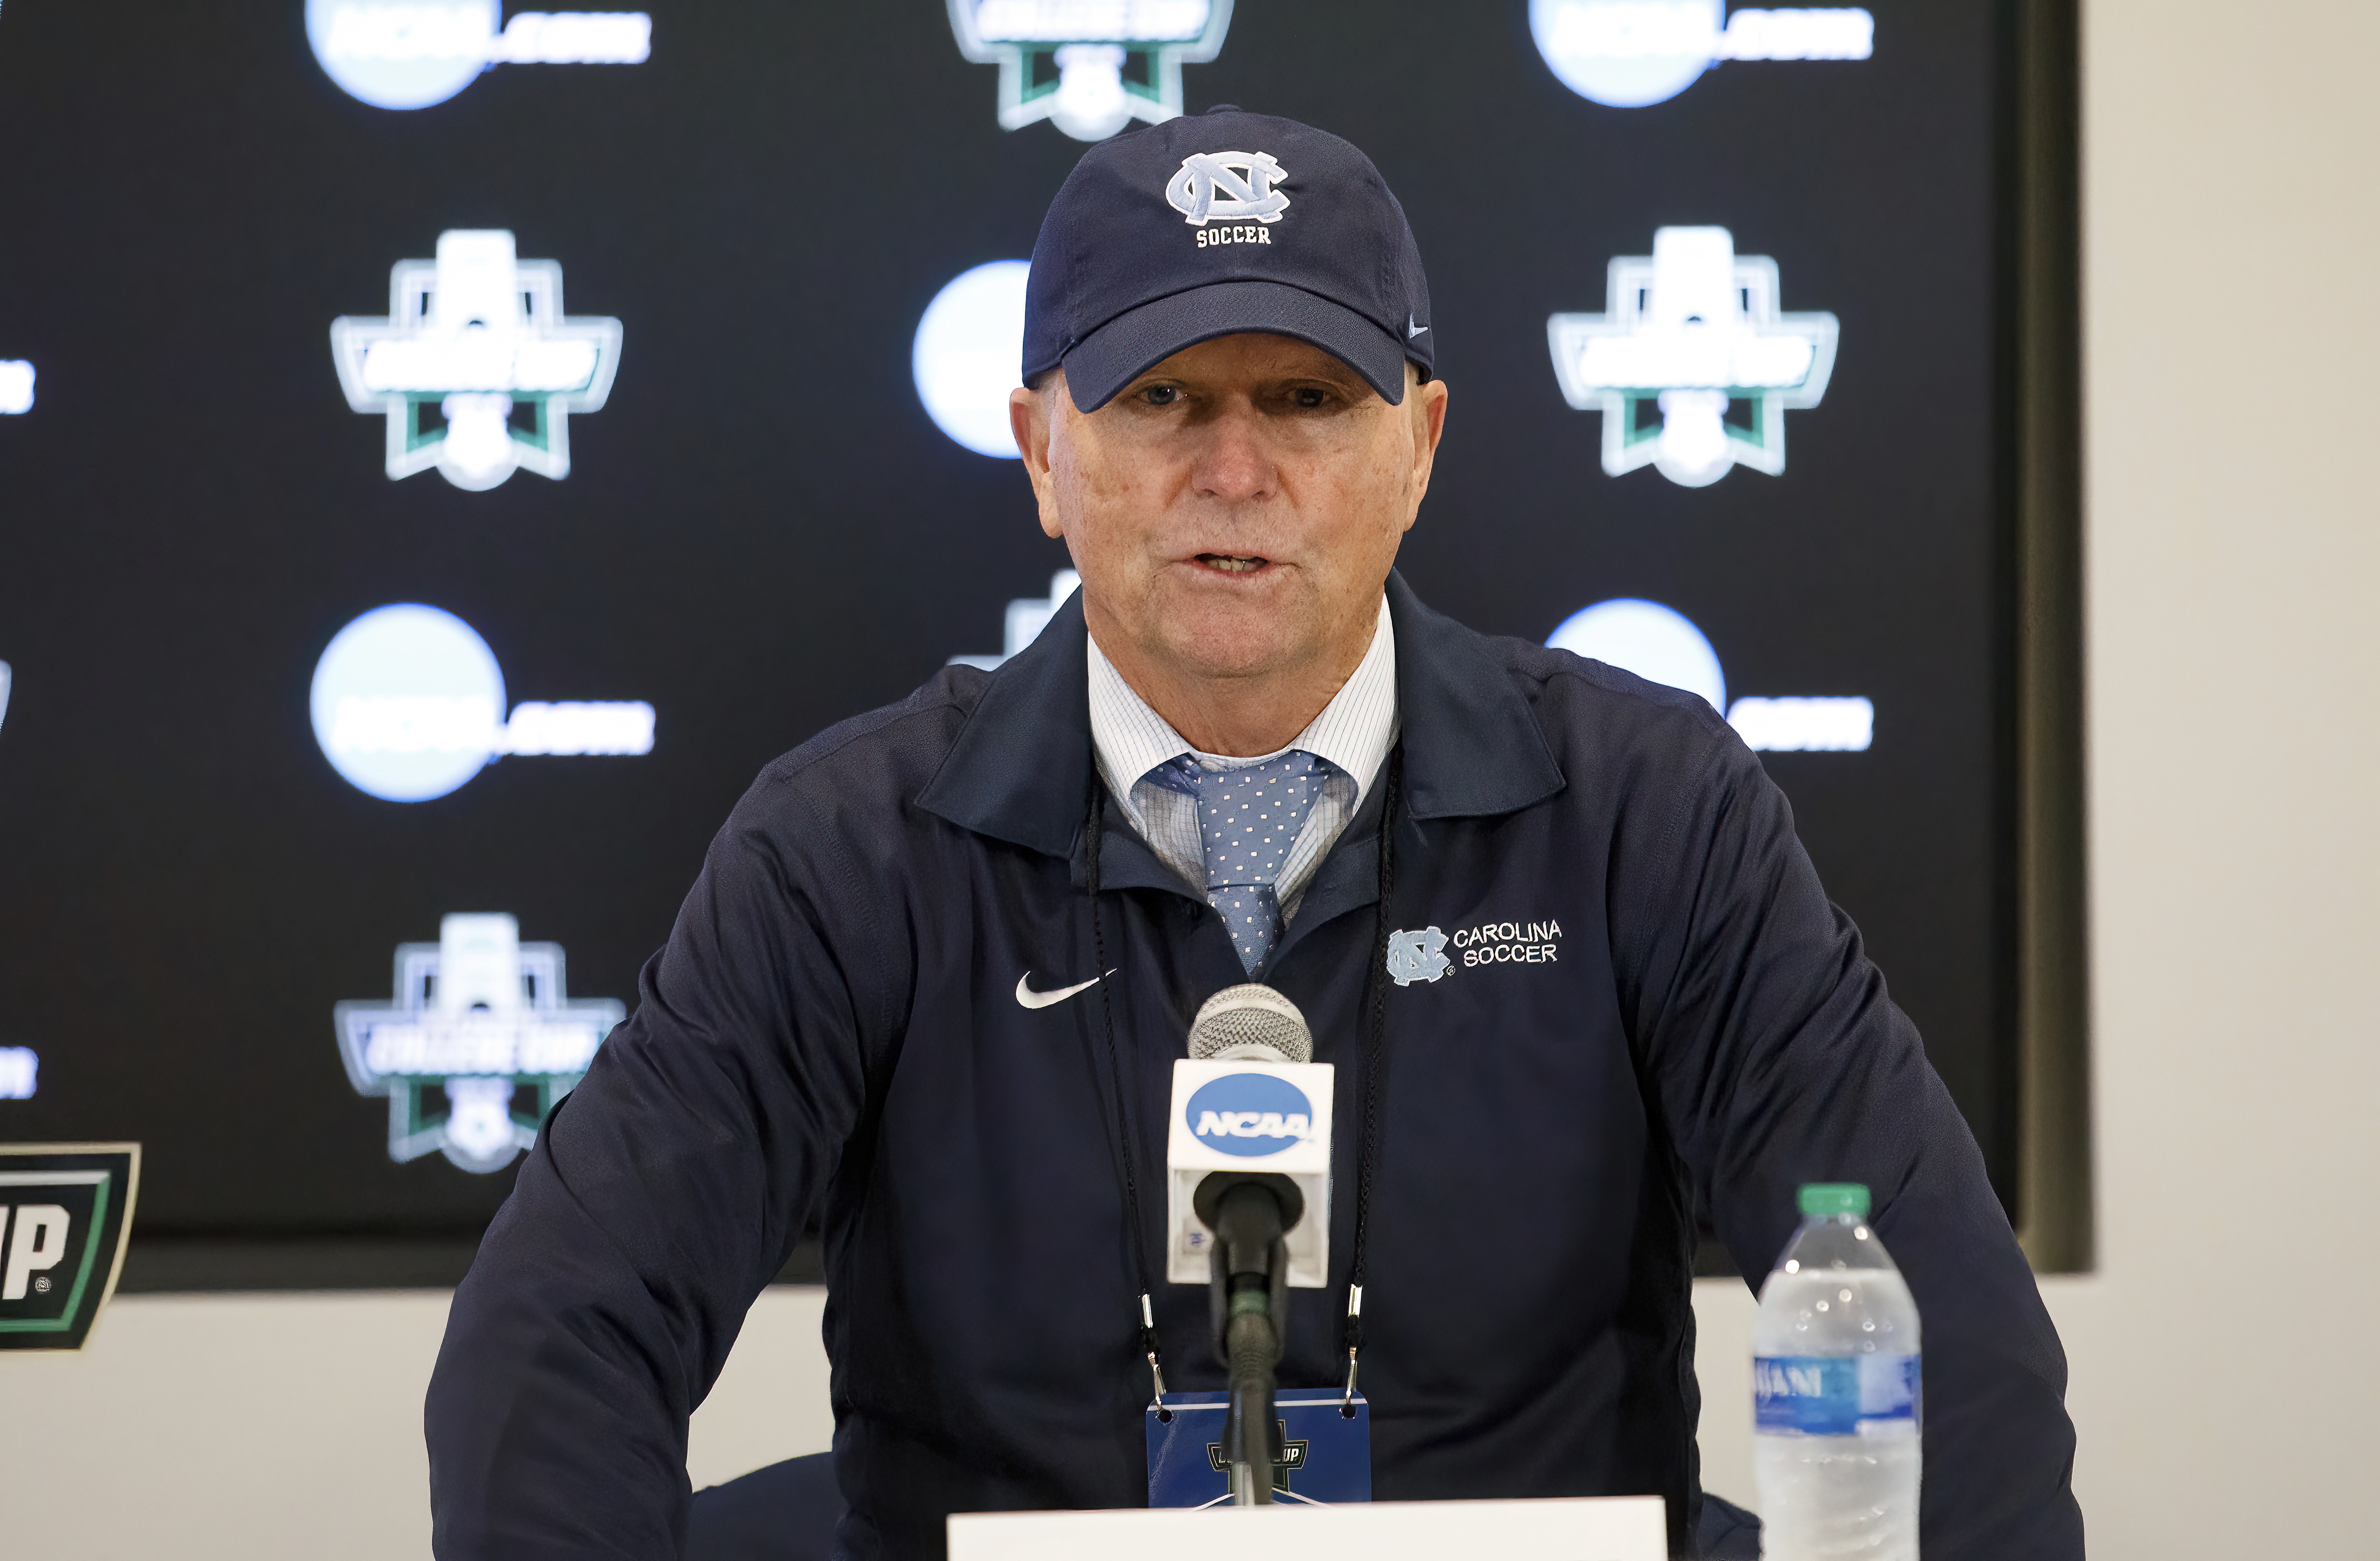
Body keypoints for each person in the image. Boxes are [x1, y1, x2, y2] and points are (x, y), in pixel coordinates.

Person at [427, 109, 2082, 1560]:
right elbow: (563, 1337)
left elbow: (1934, 1320)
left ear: (1420, 445)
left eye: (1306, 396)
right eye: (1160, 398)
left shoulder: (1652, 814)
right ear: (1044, 453)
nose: (1235, 470)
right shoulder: (848, 852)